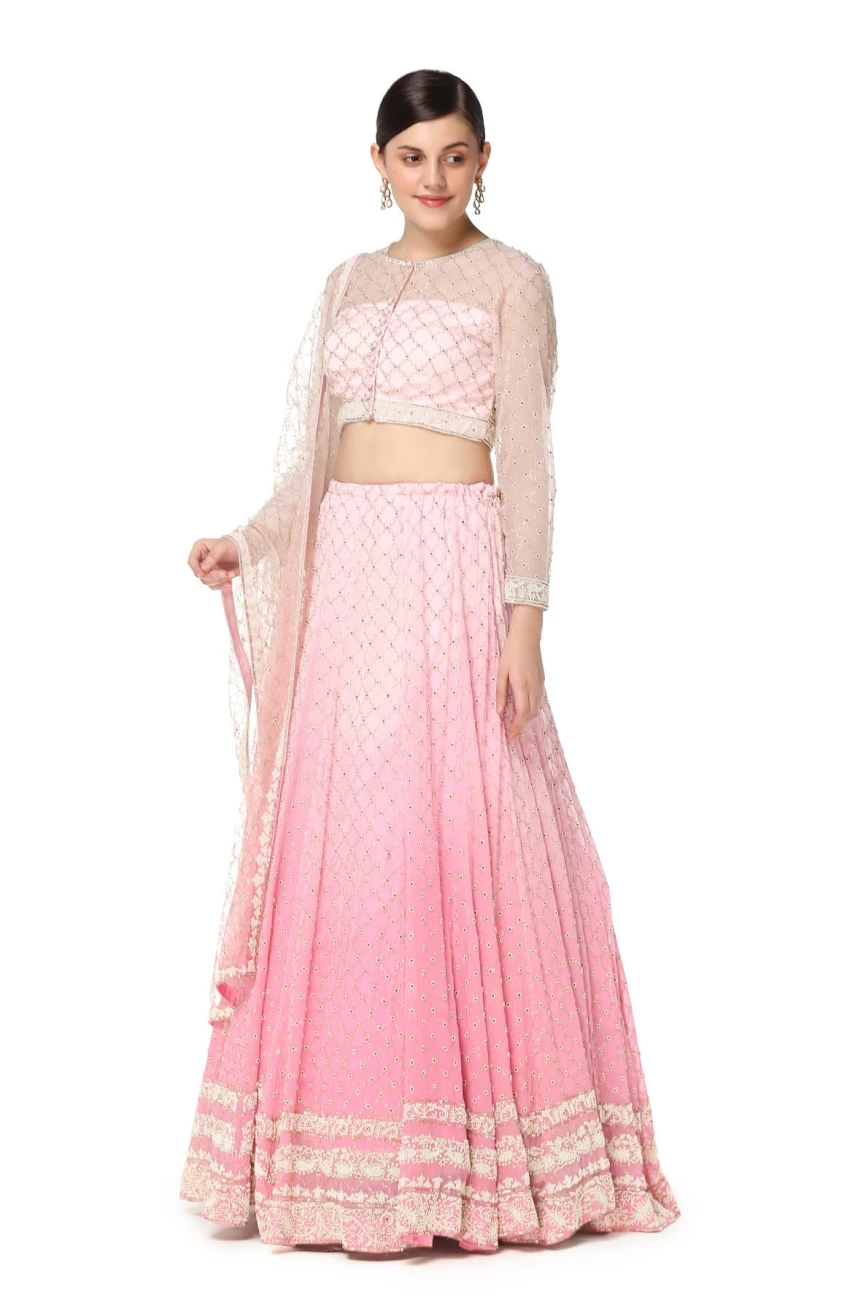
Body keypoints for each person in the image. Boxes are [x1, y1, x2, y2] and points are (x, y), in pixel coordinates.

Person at [180, 68, 680, 1255]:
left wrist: (524, 623)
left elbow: (530, 461)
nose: (434, 177)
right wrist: (252, 538)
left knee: (462, 824)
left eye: (454, 155)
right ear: (377, 164)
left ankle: (477, 1153)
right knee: (351, 834)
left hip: (453, 562)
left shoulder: (513, 281)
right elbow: (318, 453)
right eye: (412, 157)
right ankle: (331, 1145)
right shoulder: (346, 283)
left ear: (484, 160)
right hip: (348, 570)